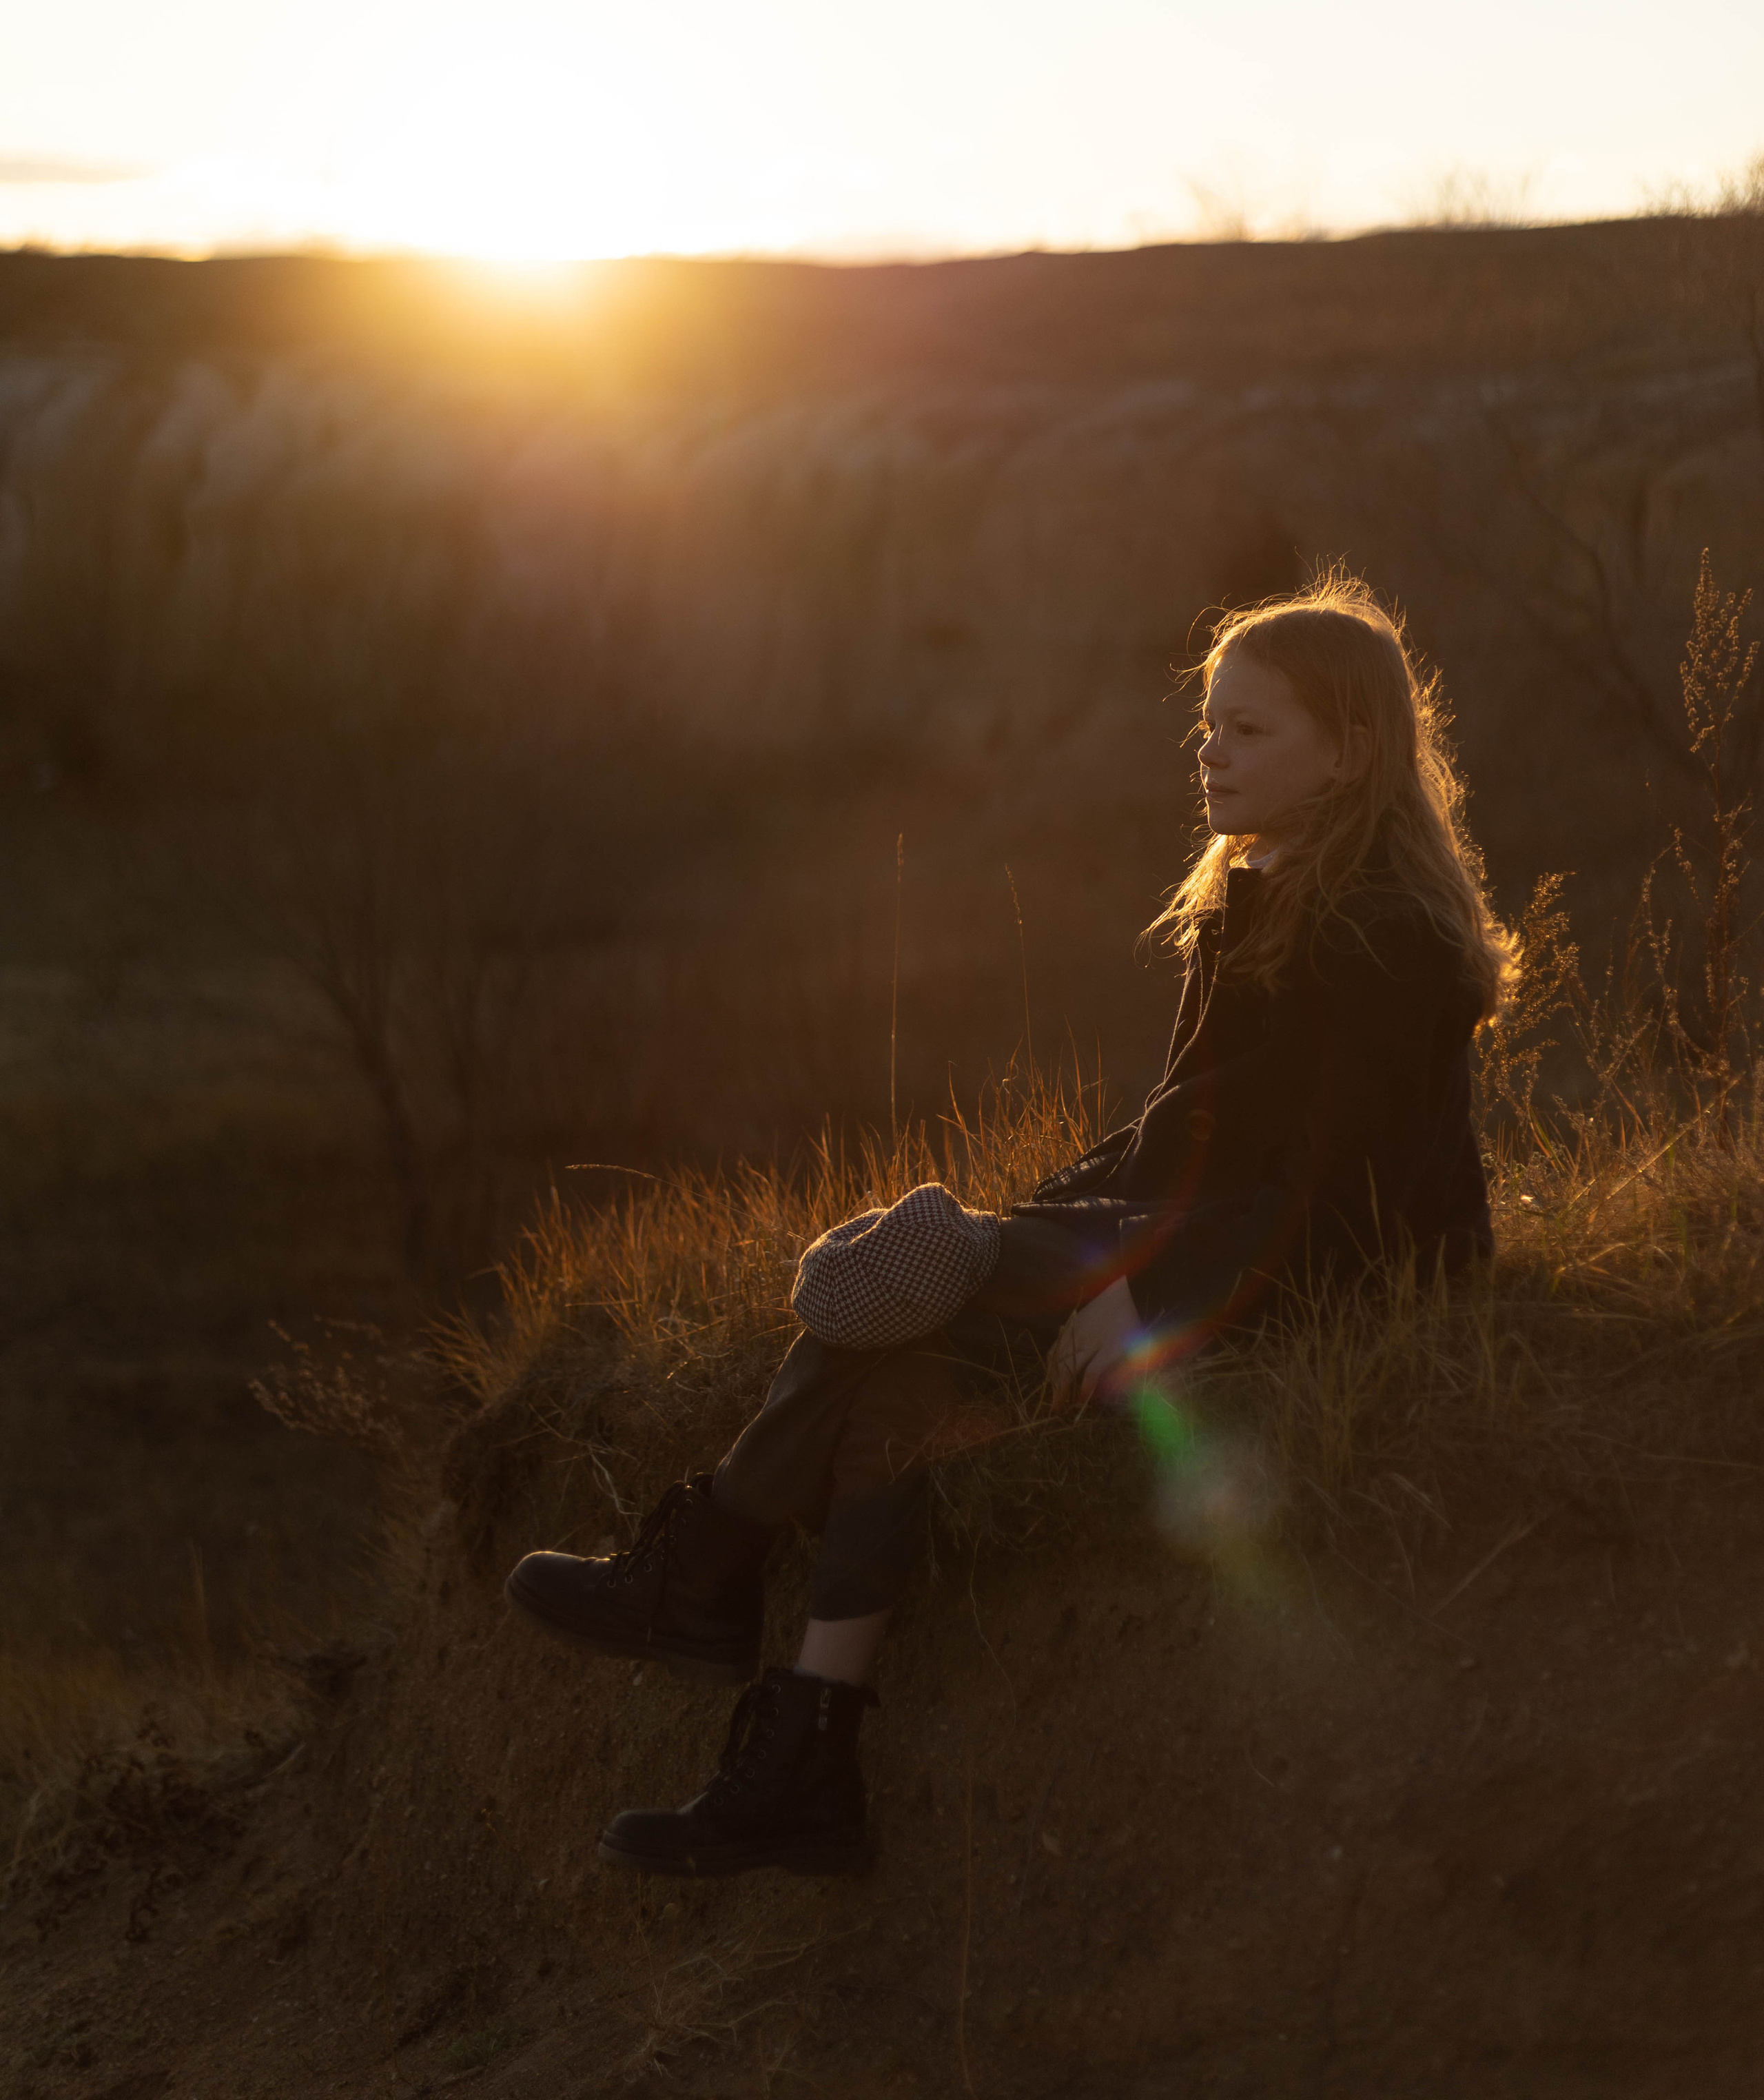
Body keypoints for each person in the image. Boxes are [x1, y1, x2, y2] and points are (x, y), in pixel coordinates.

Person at [504, 573, 1514, 1879]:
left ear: (1353, 754)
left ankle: (709, 1560)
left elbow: (1348, 1196)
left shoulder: (1386, 940)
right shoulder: (1258, 897)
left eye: (1250, 730)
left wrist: (1146, 1298)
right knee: (900, 1380)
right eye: (1208, 721)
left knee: (922, 1274)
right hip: (1200, 1225)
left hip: (1340, 1275)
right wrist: (1064, 1223)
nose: (1209, 747)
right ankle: (807, 1759)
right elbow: (1179, 1134)